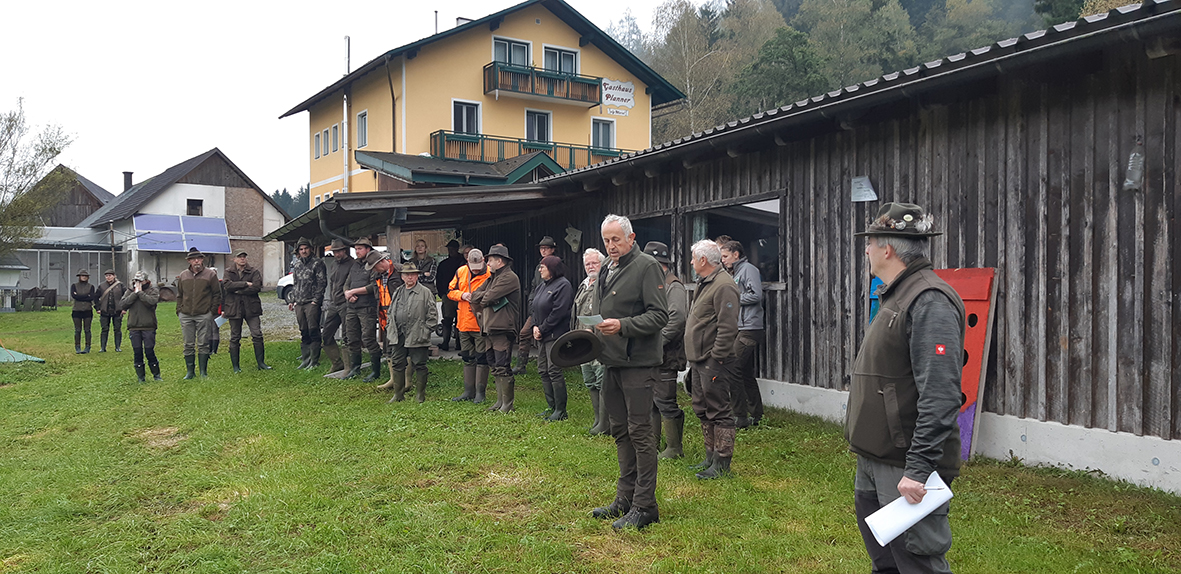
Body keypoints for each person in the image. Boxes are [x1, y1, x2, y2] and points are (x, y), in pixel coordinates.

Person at [847, 203, 965, 574]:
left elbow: (941, 395)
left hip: (904, 464)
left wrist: (918, 469)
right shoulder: (896, 293)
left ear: (887, 249)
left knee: (917, 562)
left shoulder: (929, 299)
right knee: (886, 562)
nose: (866, 250)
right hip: (876, 456)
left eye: (870, 243)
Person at [590, 214, 668, 531]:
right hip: (611, 360)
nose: (611, 246)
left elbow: (660, 315)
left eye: (616, 240)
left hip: (638, 362)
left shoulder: (646, 266)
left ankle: (645, 506)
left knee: (640, 433)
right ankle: (625, 498)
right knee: (620, 430)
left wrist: (623, 326)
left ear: (631, 238)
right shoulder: (607, 268)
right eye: (606, 240)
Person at [684, 239, 740, 480]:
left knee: (719, 409)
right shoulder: (705, 282)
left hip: (713, 360)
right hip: (699, 358)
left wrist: (716, 357)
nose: (691, 262)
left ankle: (722, 463)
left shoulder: (724, 285)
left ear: (703, 260)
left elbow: (728, 328)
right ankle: (710, 456)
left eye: (693, 258)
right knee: (701, 407)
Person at [643, 241, 688, 459]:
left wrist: (657, 342)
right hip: (651, 353)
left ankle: (674, 448)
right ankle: (653, 442)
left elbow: (676, 319)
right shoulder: (653, 283)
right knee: (651, 400)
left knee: (665, 401)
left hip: (668, 353)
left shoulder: (673, 286)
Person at [471, 244, 521, 413]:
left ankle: (508, 404)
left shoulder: (509, 277)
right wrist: (486, 297)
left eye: (490, 260)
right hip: (490, 327)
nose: (487, 264)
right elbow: (475, 295)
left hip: (502, 327)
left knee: (502, 364)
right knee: (493, 364)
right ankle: (500, 402)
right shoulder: (492, 278)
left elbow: (487, 298)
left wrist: (486, 297)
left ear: (499, 261)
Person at [721, 240, 765, 428]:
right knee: (745, 373)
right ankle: (757, 415)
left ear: (736, 254)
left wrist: (734, 299)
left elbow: (756, 295)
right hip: (740, 326)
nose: (723, 260)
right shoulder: (734, 272)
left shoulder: (748, 269)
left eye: (725, 256)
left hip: (750, 327)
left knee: (732, 368)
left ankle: (739, 416)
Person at [381, 261, 438, 403]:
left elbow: (433, 316)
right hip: (399, 334)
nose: (410, 277)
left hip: (417, 334)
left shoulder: (425, 292)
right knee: (397, 363)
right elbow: (391, 312)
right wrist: (390, 327)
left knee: (420, 365)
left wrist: (425, 332)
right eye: (407, 275)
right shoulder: (398, 292)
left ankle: (420, 395)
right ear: (402, 277)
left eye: (412, 274)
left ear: (417, 276)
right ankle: (398, 395)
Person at [531, 255, 573, 421]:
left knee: (554, 370)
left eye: (543, 267)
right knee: (543, 369)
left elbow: (559, 311)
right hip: (541, 334)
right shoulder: (542, 285)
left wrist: (542, 328)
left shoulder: (563, 285)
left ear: (552, 268)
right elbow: (534, 307)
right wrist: (535, 326)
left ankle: (561, 410)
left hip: (554, 334)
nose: (540, 269)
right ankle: (551, 405)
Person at [447, 248, 491, 403]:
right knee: (467, 357)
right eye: (473, 268)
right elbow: (450, 291)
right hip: (464, 323)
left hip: (481, 324)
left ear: (483, 261)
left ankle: (480, 393)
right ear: (467, 262)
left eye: (478, 267)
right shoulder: (461, 272)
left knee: (482, 358)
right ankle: (468, 391)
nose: (476, 270)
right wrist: (462, 295)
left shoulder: (490, 274)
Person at [573, 249, 608, 435]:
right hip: (583, 341)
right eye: (587, 264)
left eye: (594, 263)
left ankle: (605, 423)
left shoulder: (606, 284)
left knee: (602, 382)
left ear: (602, 264)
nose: (591, 267)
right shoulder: (584, 284)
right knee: (590, 381)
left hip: (600, 341)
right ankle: (597, 419)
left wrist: (593, 329)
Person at [222, 250, 272, 372]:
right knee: (235, 337)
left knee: (257, 334)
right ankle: (236, 367)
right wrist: (245, 283)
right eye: (240, 257)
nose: (242, 259)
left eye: (244, 256)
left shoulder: (254, 271)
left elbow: (256, 287)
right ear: (234, 259)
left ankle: (261, 363)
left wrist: (238, 290)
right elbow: (227, 286)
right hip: (234, 308)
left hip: (251, 308)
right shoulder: (228, 272)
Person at [514, 236, 557, 375]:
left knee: (549, 338)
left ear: (552, 250)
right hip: (536, 310)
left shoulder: (557, 266)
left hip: (550, 310)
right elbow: (533, 287)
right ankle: (521, 365)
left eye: (546, 248)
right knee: (524, 333)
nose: (543, 251)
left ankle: (553, 365)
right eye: (541, 248)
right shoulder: (539, 267)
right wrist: (531, 303)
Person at [342, 238, 383, 381]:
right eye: (356, 249)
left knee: (368, 338)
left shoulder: (373, 265)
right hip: (352, 307)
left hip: (367, 307)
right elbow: (347, 283)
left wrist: (354, 291)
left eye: (360, 249)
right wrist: (347, 293)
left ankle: (375, 371)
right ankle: (355, 368)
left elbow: (373, 286)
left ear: (368, 249)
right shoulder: (354, 265)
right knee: (352, 338)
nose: (357, 251)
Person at [176, 248, 221, 379]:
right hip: (186, 314)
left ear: (202, 260)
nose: (196, 261)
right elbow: (179, 294)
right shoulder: (183, 275)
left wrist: (211, 311)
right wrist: (179, 310)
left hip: (203, 314)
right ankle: (190, 372)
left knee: (203, 343)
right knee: (188, 344)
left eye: (199, 258)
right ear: (189, 261)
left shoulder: (210, 275)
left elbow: (217, 294)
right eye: (193, 259)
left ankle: (203, 372)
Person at [289, 237, 328, 369]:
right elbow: (295, 284)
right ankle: (305, 359)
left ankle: (314, 361)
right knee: (303, 331)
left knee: (313, 330)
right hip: (299, 303)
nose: (304, 251)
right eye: (301, 249)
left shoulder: (317, 263)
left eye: (306, 248)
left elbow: (322, 283)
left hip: (311, 302)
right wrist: (292, 300)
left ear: (310, 249)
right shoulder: (297, 264)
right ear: (298, 251)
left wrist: (316, 301)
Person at [120, 271, 161, 382]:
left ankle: (156, 375)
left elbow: (151, 302)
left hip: (148, 326)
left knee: (149, 351)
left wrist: (141, 293)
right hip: (134, 326)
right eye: (136, 280)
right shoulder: (129, 291)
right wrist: (135, 293)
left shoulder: (153, 291)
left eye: (140, 281)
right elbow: (123, 304)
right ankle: (141, 377)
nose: (137, 283)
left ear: (146, 281)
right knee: (137, 352)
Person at [321, 238, 354, 375]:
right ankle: (337, 362)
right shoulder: (334, 264)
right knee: (326, 334)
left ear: (344, 250)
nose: (337, 254)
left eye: (339, 251)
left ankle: (348, 367)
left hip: (346, 304)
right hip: (334, 303)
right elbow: (332, 283)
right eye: (335, 252)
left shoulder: (352, 264)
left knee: (347, 336)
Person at [436, 240, 465, 351]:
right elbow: (439, 279)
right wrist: (442, 293)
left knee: (459, 320)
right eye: (449, 249)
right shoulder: (443, 264)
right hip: (447, 295)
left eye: (453, 249)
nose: (451, 251)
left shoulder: (463, 263)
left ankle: (459, 344)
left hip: (460, 295)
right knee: (447, 319)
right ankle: (445, 343)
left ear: (457, 249)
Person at [95, 269, 127, 353]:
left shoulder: (120, 285)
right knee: (104, 329)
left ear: (114, 276)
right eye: (106, 276)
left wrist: (124, 308)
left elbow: (126, 297)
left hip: (117, 311)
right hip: (105, 311)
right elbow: (96, 297)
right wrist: (97, 308)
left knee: (117, 329)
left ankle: (117, 347)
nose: (108, 277)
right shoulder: (101, 286)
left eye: (110, 275)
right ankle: (103, 347)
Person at [70, 269, 96, 354]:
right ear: (79, 277)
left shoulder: (91, 286)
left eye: (85, 276)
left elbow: (91, 297)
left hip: (87, 310)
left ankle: (87, 347)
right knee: (77, 330)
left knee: (87, 330)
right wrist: (86, 296)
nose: (84, 277)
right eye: (82, 276)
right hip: (76, 310)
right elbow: (74, 296)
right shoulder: (74, 286)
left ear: (88, 277)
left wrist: (79, 296)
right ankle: (77, 346)